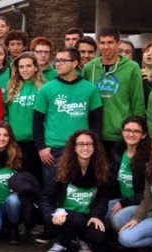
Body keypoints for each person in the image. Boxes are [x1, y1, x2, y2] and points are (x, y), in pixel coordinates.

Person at [33, 46, 103, 241]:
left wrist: (93, 148)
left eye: (63, 60)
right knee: (51, 191)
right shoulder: (47, 88)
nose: (58, 63)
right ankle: (51, 228)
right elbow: (37, 120)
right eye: (57, 60)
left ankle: (75, 232)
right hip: (53, 150)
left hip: (81, 150)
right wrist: (40, 147)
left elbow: (96, 122)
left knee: (74, 192)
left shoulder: (90, 89)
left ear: (75, 63)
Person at [43, 130, 110, 252]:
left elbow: (103, 198)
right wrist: (50, 216)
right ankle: (60, 243)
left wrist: (96, 215)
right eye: (80, 144)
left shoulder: (102, 169)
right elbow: (47, 197)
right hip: (63, 216)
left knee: (98, 237)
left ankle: (81, 238)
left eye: (89, 144)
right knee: (77, 220)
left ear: (95, 147)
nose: (85, 147)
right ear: (74, 147)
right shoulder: (59, 168)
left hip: (87, 215)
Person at [81, 26, 146, 151]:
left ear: (118, 43)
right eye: (102, 43)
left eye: (110, 42)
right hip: (95, 133)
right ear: (98, 44)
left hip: (122, 134)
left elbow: (137, 102)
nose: (106, 47)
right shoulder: (89, 67)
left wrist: (136, 130)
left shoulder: (132, 67)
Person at [5, 52, 45, 183]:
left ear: (36, 68)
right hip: (14, 143)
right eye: (21, 67)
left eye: (28, 66)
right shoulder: (11, 87)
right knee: (17, 180)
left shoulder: (43, 88)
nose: (25, 70)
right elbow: (5, 112)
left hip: (35, 143)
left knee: (34, 180)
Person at [106, 116, 150, 233]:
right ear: (122, 132)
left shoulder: (148, 157)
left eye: (136, 131)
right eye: (128, 130)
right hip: (121, 199)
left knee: (117, 220)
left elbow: (149, 192)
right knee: (100, 211)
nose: (131, 134)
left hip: (141, 204)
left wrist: (125, 203)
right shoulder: (118, 151)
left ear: (143, 135)